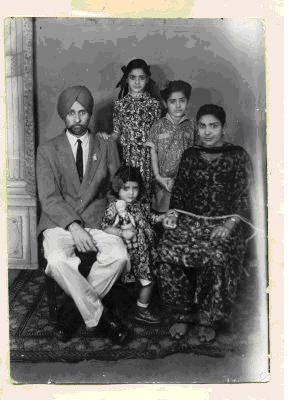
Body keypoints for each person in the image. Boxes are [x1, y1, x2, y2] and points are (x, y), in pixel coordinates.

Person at [36, 85, 130, 344]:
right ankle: (102, 316)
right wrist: (74, 226)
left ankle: (72, 313)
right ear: (62, 116)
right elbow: (49, 197)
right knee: (55, 260)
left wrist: (115, 216)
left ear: (90, 115)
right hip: (59, 223)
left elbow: (116, 188)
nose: (77, 119)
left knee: (119, 256)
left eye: (83, 113)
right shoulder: (47, 151)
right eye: (71, 113)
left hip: (98, 220)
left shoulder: (107, 145)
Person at [155, 104, 254, 343]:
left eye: (214, 126)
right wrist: (173, 215)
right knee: (166, 251)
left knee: (218, 254)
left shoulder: (238, 155)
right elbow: (179, 193)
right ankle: (182, 313)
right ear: (197, 127)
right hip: (190, 221)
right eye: (202, 126)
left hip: (226, 222)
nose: (207, 132)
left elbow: (244, 196)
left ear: (223, 127)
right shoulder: (190, 155)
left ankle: (209, 318)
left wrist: (229, 226)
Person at [101, 166, 166, 324]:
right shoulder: (114, 208)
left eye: (135, 188)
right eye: (126, 188)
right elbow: (104, 227)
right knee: (146, 282)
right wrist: (121, 233)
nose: (131, 193)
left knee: (150, 280)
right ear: (117, 188)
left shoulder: (140, 205)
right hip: (131, 254)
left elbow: (150, 218)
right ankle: (139, 310)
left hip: (146, 252)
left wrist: (162, 217)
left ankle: (139, 307)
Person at [98, 59, 162, 197]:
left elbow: (157, 134)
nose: (137, 82)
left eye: (141, 78)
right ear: (126, 79)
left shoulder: (154, 104)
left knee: (145, 195)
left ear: (147, 79)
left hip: (147, 159)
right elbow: (116, 133)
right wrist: (107, 137)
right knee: (129, 195)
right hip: (127, 158)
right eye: (133, 78)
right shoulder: (120, 105)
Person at [146, 80, 195, 212]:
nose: (178, 105)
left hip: (184, 181)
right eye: (173, 101)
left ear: (187, 101)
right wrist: (157, 176)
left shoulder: (191, 126)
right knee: (162, 215)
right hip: (162, 181)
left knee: (181, 213)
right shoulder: (158, 125)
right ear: (165, 103)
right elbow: (153, 152)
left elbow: (195, 154)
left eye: (182, 100)